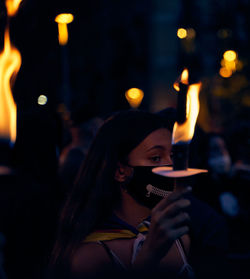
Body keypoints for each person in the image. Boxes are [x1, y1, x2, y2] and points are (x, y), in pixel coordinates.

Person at [48, 109, 229, 279]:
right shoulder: (90, 256)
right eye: (156, 158)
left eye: (173, 155)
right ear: (120, 171)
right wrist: (148, 256)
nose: (171, 166)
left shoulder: (179, 239)